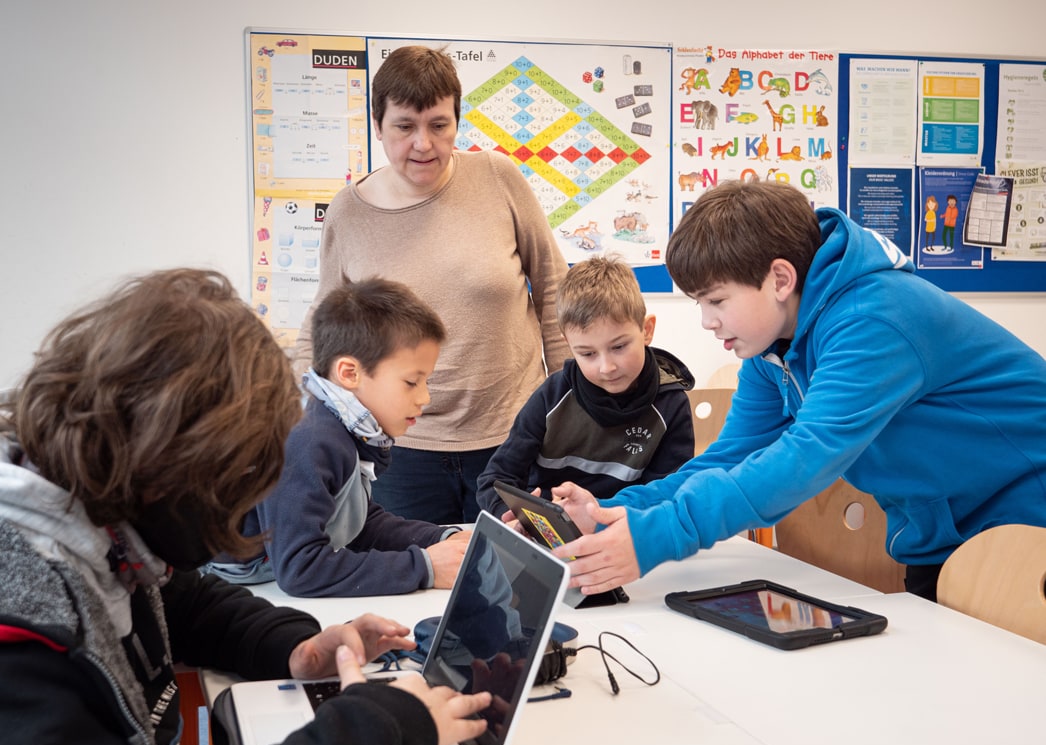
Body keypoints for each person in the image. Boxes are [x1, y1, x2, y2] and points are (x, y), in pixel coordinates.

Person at [0, 268, 490, 745]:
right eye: (238, 478)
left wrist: (298, 651)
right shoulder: (26, 634)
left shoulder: (102, 526)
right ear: (163, 456)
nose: (246, 508)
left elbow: (183, 601)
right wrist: (370, 733)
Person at [553, 179, 1046, 603]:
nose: (707, 322)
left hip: (1025, 528)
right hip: (947, 538)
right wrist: (614, 513)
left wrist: (654, 538)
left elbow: (804, 458)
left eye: (717, 300)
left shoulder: (872, 320)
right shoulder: (773, 347)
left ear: (781, 279)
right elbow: (729, 458)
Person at [293, 44, 571, 525]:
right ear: (377, 126)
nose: (424, 143)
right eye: (405, 127)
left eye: (439, 125)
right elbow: (323, 324)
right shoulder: (348, 212)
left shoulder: (498, 177)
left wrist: (569, 405)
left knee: (519, 580)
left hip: (514, 438)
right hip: (398, 452)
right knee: (418, 581)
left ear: (456, 123)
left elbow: (554, 290)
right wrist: (294, 414)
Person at [205, 277, 470, 597]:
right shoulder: (312, 439)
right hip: (231, 585)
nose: (425, 397)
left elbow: (357, 525)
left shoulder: (344, 429)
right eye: (412, 382)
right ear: (349, 373)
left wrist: (441, 540)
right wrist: (423, 567)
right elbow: (300, 568)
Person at [476, 254, 695, 517]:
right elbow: (496, 479)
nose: (607, 367)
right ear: (568, 345)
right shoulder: (552, 396)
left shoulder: (671, 404)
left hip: (626, 533)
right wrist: (517, 516)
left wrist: (598, 515)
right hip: (552, 538)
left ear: (646, 330)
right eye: (587, 354)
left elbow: (669, 494)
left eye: (619, 347)